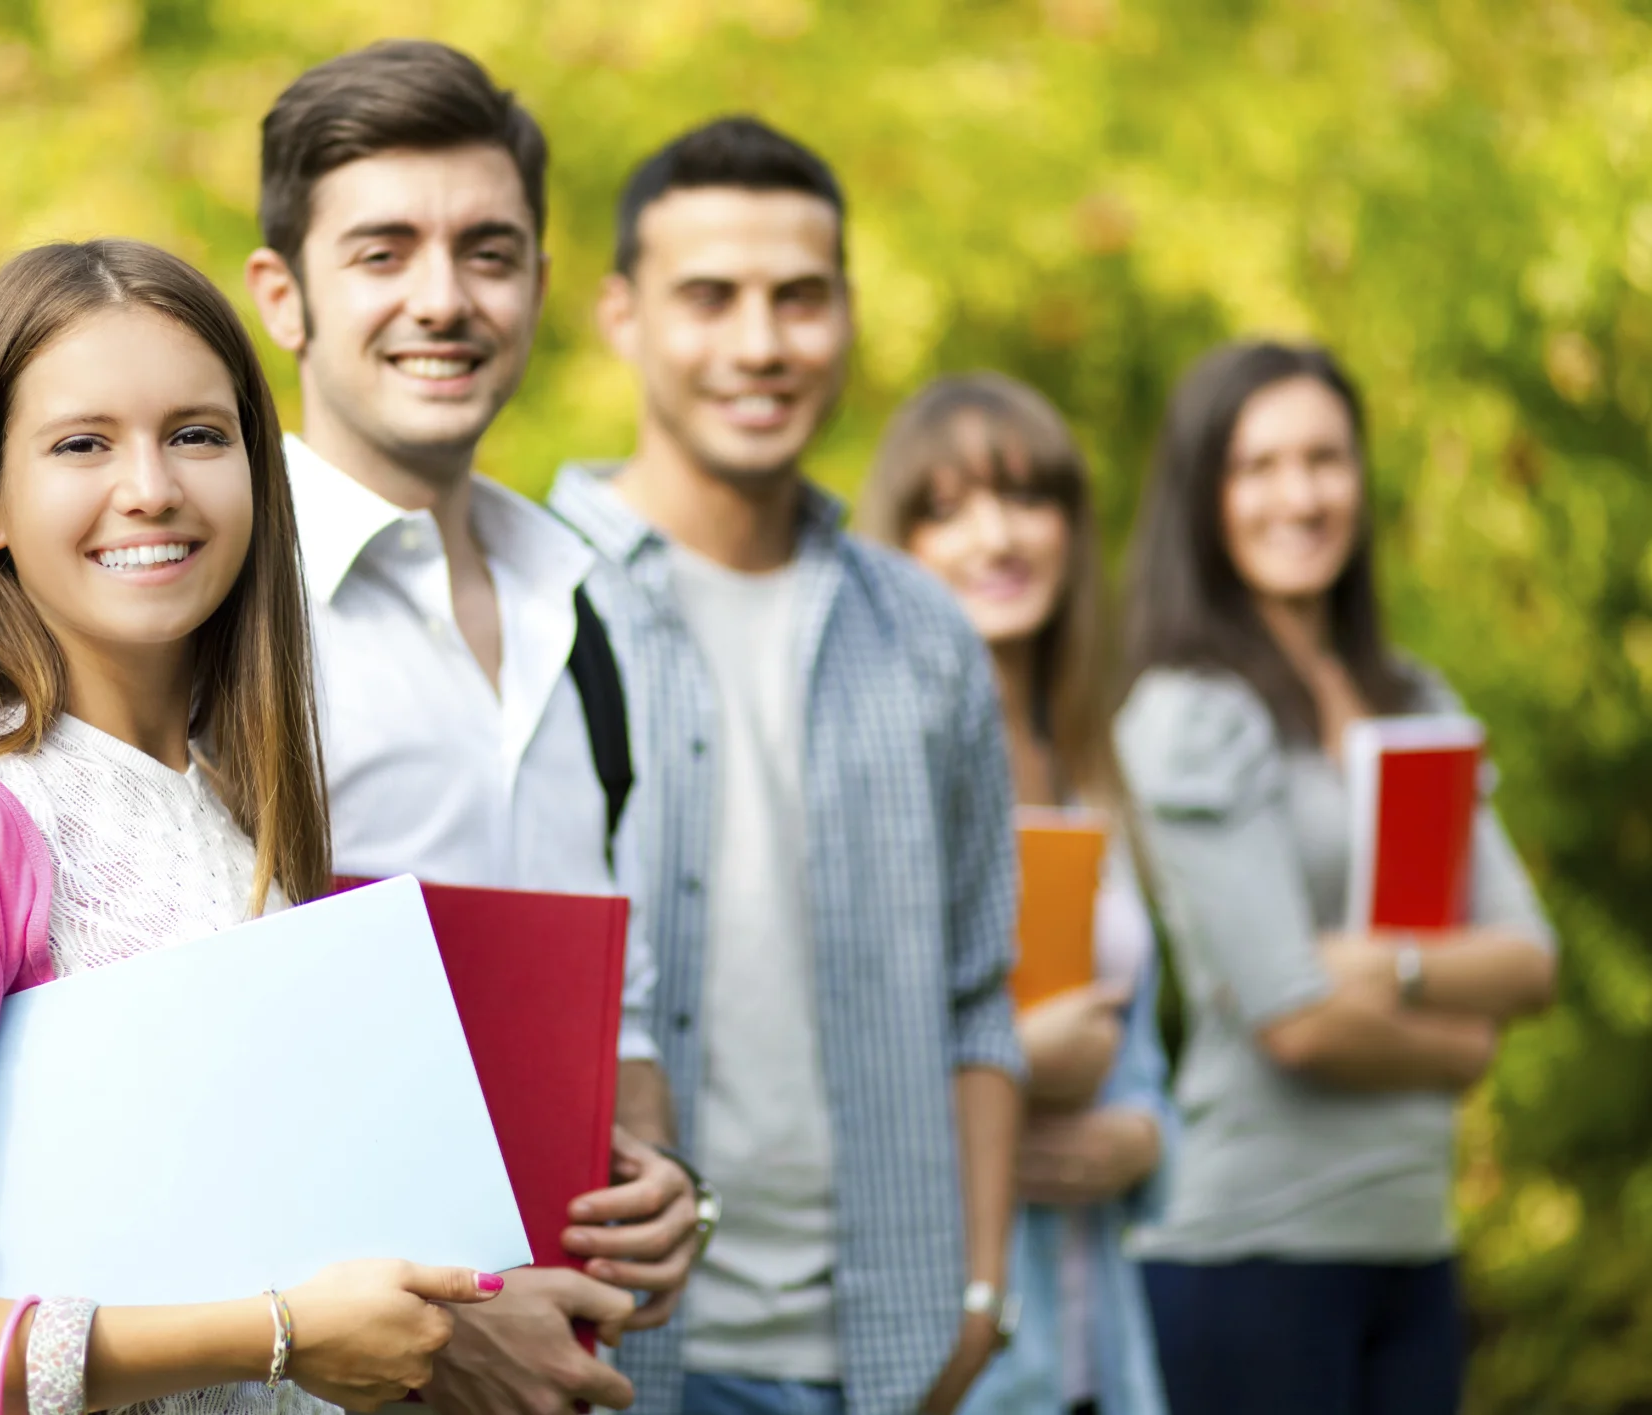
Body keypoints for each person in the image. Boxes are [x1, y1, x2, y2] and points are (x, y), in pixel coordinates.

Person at [0, 239, 507, 1415]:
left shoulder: (245, 812)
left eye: (198, 434)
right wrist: (279, 1333)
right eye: (82, 443)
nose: (150, 485)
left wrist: (474, 1318)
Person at [240, 41, 704, 1415]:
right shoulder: (217, 609)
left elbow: (612, 1005)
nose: (441, 298)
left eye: (486, 251)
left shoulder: (591, 609)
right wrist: (454, 1330)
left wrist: (669, 1188)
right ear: (283, 295)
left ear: (541, 286)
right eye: (382, 251)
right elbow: (179, 1042)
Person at [551, 118, 1025, 1415]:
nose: (758, 343)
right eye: (708, 297)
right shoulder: (521, 602)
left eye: (797, 298)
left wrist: (975, 1303)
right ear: (620, 314)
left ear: (846, 315)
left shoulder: (922, 625)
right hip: (616, 1354)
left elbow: (980, 990)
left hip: (890, 1355)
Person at [1114, 340, 1558, 1415]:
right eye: (1256, 466)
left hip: (1413, 1241)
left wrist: (1384, 964)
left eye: (1324, 459)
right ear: (1202, 497)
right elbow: (1293, 1019)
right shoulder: (1191, 712)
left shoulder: (1413, 697)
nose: (1298, 495)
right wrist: (1460, 1039)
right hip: (1252, 1254)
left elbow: (1530, 956)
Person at [856, 373, 1173, 1415]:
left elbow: (1146, 1058)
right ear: (894, 543)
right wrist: (1017, 1066)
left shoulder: (1089, 757)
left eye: (1027, 496)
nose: (996, 536)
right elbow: (824, 1068)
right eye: (946, 509)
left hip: (1099, 1339)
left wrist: (1145, 1136)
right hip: (954, 1351)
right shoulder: (877, 762)